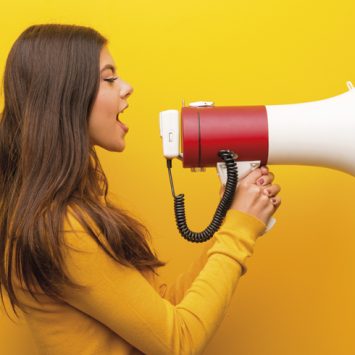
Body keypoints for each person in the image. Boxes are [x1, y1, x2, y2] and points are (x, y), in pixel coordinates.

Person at [0, 24, 281, 355]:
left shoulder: (65, 213)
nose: (127, 87)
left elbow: (164, 311)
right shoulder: (64, 227)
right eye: (109, 79)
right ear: (66, 96)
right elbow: (179, 341)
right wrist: (239, 231)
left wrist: (230, 220)